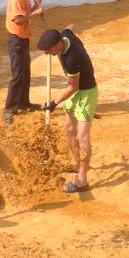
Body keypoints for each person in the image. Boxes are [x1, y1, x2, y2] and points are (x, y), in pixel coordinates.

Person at [38, 25, 98, 193]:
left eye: (49, 50)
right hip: (74, 92)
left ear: (58, 45)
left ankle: (82, 180)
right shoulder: (65, 35)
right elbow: (69, 27)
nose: (47, 54)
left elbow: (73, 87)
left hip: (86, 93)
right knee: (69, 128)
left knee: (82, 136)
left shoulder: (73, 58)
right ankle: (76, 163)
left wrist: (53, 103)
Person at [3, 0, 44, 125]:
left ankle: (23, 103)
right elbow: (18, 20)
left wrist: (35, 6)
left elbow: (24, 16)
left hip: (22, 38)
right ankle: (9, 108)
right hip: (16, 40)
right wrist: (35, 12)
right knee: (18, 74)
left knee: (25, 72)